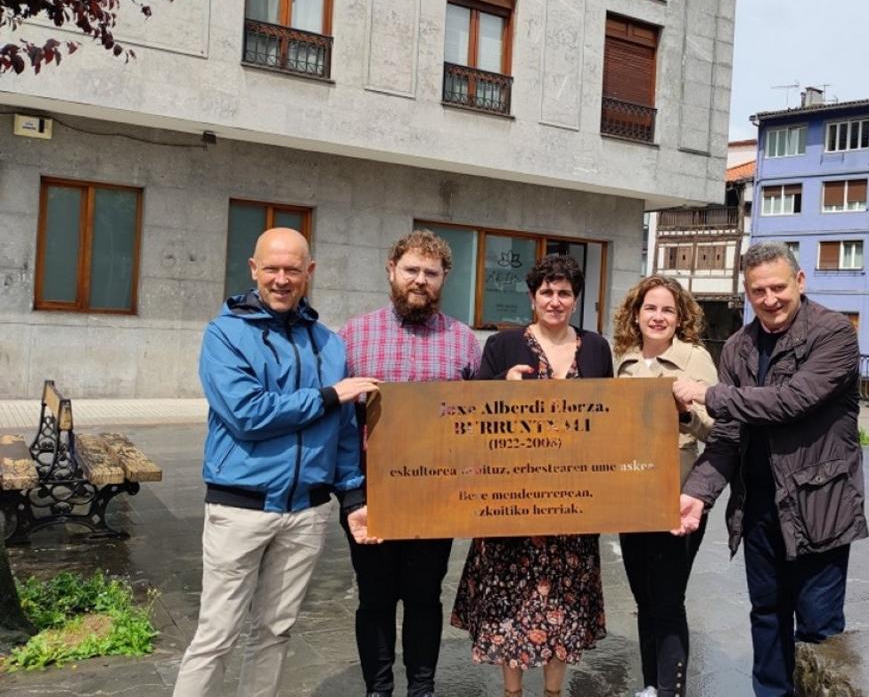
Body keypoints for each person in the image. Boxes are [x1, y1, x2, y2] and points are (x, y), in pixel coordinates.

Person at [174, 227, 381, 697]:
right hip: (240, 509)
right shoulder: (224, 334)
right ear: (254, 269)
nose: (282, 279)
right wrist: (328, 396)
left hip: (306, 513)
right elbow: (247, 414)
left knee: (275, 632)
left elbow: (344, 432)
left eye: (293, 269)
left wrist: (353, 498)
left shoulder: (329, 343)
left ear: (309, 273)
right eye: (272, 268)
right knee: (216, 636)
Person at [671, 241, 868, 697]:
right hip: (758, 509)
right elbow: (728, 436)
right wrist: (697, 494)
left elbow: (791, 401)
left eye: (778, 287)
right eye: (758, 291)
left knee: (819, 631)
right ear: (747, 292)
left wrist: (710, 395)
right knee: (766, 616)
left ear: (800, 282)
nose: (770, 299)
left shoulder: (834, 333)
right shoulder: (739, 346)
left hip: (819, 506)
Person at [450, 253, 612, 697]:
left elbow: (614, 421)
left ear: (575, 299)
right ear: (532, 296)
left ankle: (554, 692)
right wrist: (504, 388)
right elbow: (475, 419)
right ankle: (513, 691)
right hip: (513, 500)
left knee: (565, 602)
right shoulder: (503, 347)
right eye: (547, 292)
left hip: (574, 501)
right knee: (512, 602)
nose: (555, 301)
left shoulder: (597, 347)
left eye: (564, 293)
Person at [339, 230, 482, 697]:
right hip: (371, 494)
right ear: (391, 270)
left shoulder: (463, 343)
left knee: (424, 597)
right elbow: (340, 425)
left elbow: (481, 423)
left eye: (431, 273)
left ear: (443, 280)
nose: (420, 280)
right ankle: (378, 689)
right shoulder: (353, 337)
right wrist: (351, 496)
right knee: (375, 599)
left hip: (436, 498)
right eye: (411, 270)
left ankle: (422, 687)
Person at [611, 276, 718, 697]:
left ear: (680, 318)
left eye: (668, 310)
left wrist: (687, 411)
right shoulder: (624, 359)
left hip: (679, 496)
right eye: (650, 308)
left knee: (668, 598)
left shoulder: (696, 359)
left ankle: (672, 691)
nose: (658, 317)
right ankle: (651, 686)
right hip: (631, 495)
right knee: (644, 597)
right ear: (636, 315)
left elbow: (717, 429)